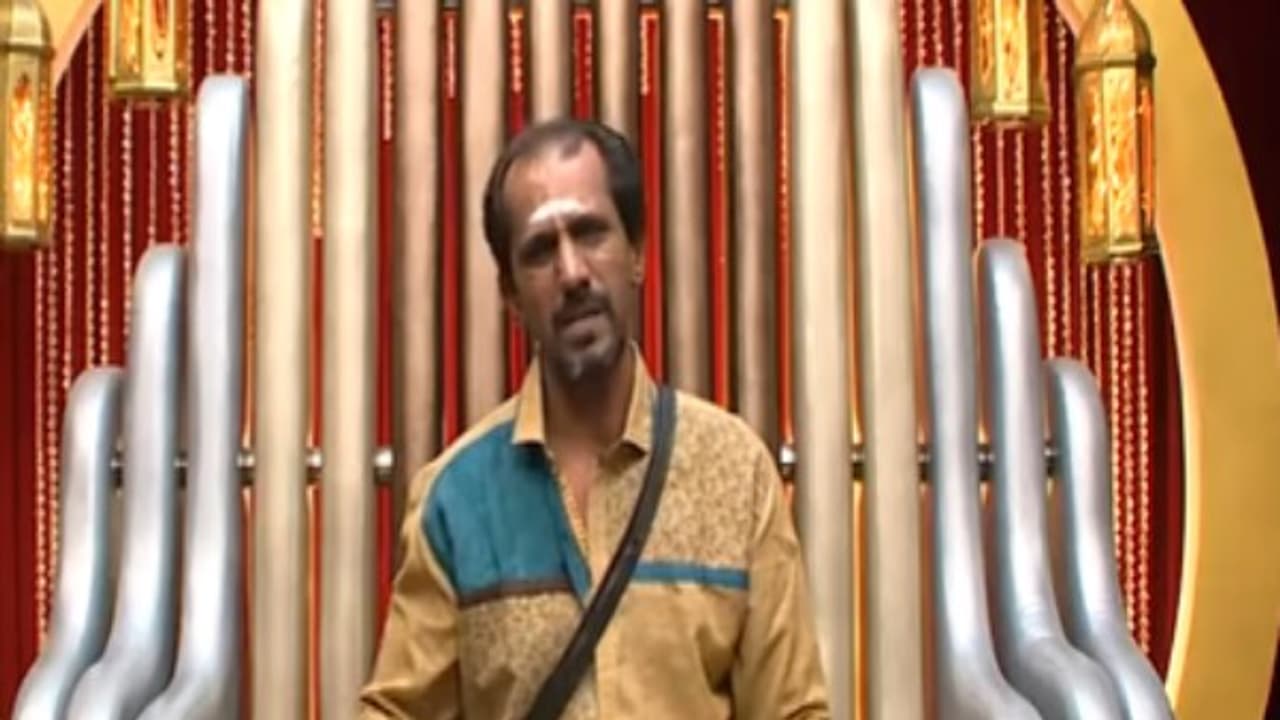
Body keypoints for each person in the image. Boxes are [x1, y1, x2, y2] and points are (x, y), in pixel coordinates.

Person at [359, 118, 830, 719]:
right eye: (539, 251)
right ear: (510, 294)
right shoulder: (455, 499)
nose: (573, 272)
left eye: (590, 233)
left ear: (636, 253)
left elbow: (793, 711)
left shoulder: (736, 474)